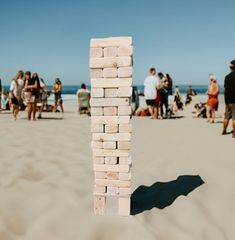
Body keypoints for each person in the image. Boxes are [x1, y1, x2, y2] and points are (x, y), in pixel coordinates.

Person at [222, 60, 235, 138]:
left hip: (228, 101)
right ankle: (234, 133)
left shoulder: (227, 77)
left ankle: (224, 130)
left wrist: (225, 101)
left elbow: (225, 90)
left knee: (226, 117)